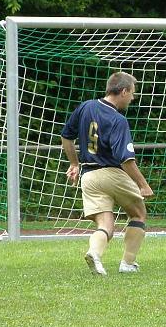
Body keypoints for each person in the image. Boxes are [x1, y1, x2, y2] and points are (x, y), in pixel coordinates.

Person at [60, 71, 153, 275]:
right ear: (123, 91)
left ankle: (94, 253)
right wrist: (142, 184)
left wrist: (74, 164)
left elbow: (66, 137)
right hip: (111, 173)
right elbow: (126, 160)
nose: (133, 98)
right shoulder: (118, 120)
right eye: (132, 93)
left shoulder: (86, 106)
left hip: (89, 176)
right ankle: (128, 263)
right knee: (138, 213)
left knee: (105, 225)